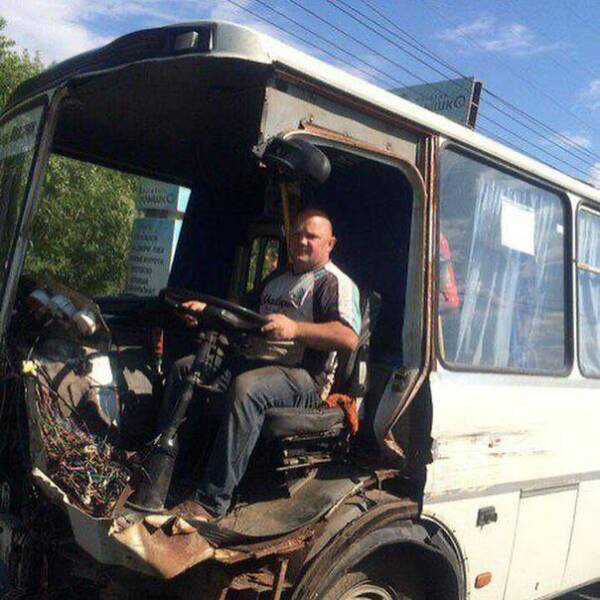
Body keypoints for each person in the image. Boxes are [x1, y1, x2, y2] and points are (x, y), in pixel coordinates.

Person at [167, 208, 361, 520]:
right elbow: (238, 311)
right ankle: (170, 470)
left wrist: (295, 329)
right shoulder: (277, 278)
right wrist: (204, 310)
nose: (302, 241)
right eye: (297, 234)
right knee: (187, 368)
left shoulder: (333, 282)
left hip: (304, 378)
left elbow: (348, 337)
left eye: (312, 236)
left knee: (248, 388)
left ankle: (211, 501)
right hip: (254, 362)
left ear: (330, 244)